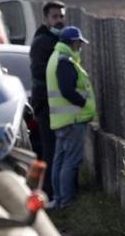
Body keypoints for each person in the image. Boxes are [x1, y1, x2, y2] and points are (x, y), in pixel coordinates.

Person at [46, 26, 96, 210]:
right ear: (73, 42)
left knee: (60, 160)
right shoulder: (64, 61)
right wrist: (83, 103)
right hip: (72, 119)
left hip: (61, 120)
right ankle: (66, 202)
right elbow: (67, 90)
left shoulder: (55, 58)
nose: (80, 46)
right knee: (71, 161)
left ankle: (59, 199)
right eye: (79, 43)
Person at [29, 0, 66, 204]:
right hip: (46, 106)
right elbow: (41, 73)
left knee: (55, 150)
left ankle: (52, 194)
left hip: (54, 106)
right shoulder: (43, 42)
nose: (59, 20)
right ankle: (49, 195)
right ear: (45, 19)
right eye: (55, 16)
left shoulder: (54, 40)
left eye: (61, 16)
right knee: (50, 150)